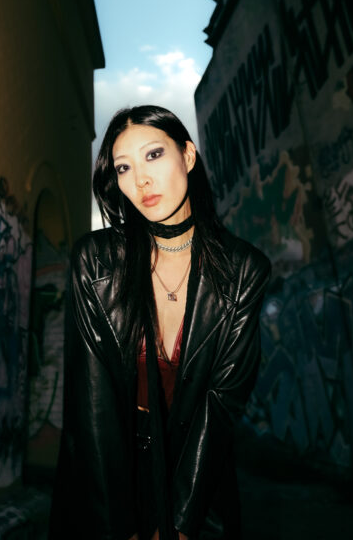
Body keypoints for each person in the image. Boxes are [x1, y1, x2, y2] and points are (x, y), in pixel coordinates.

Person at [49, 105, 271, 540]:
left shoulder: (244, 270)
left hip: (197, 479)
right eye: (124, 167)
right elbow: (91, 408)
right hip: (109, 480)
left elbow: (221, 405)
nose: (141, 180)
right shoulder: (96, 263)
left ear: (188, 155)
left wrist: (181, 524)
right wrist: (121, 527)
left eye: (153, 155)